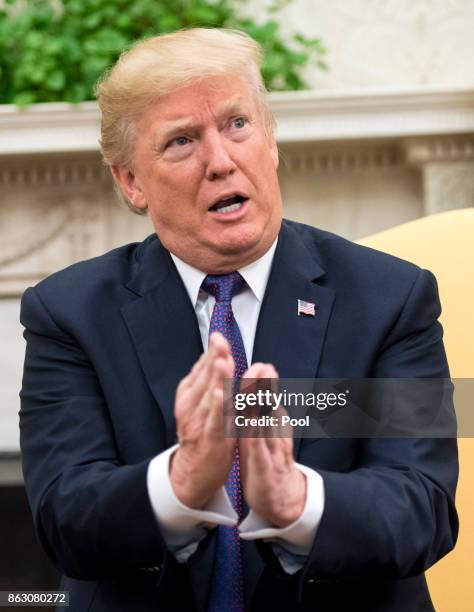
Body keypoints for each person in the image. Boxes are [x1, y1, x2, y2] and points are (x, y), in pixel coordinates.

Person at [19, 28, 458, 612]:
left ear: (270, 142)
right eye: (180, 141)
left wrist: (297, 502)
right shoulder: (69, 313)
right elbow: (65, 520)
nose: (221, 161)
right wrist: (178, 487)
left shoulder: (390, 299)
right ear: (131, 182)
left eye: (237, 125)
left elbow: (422, 508)